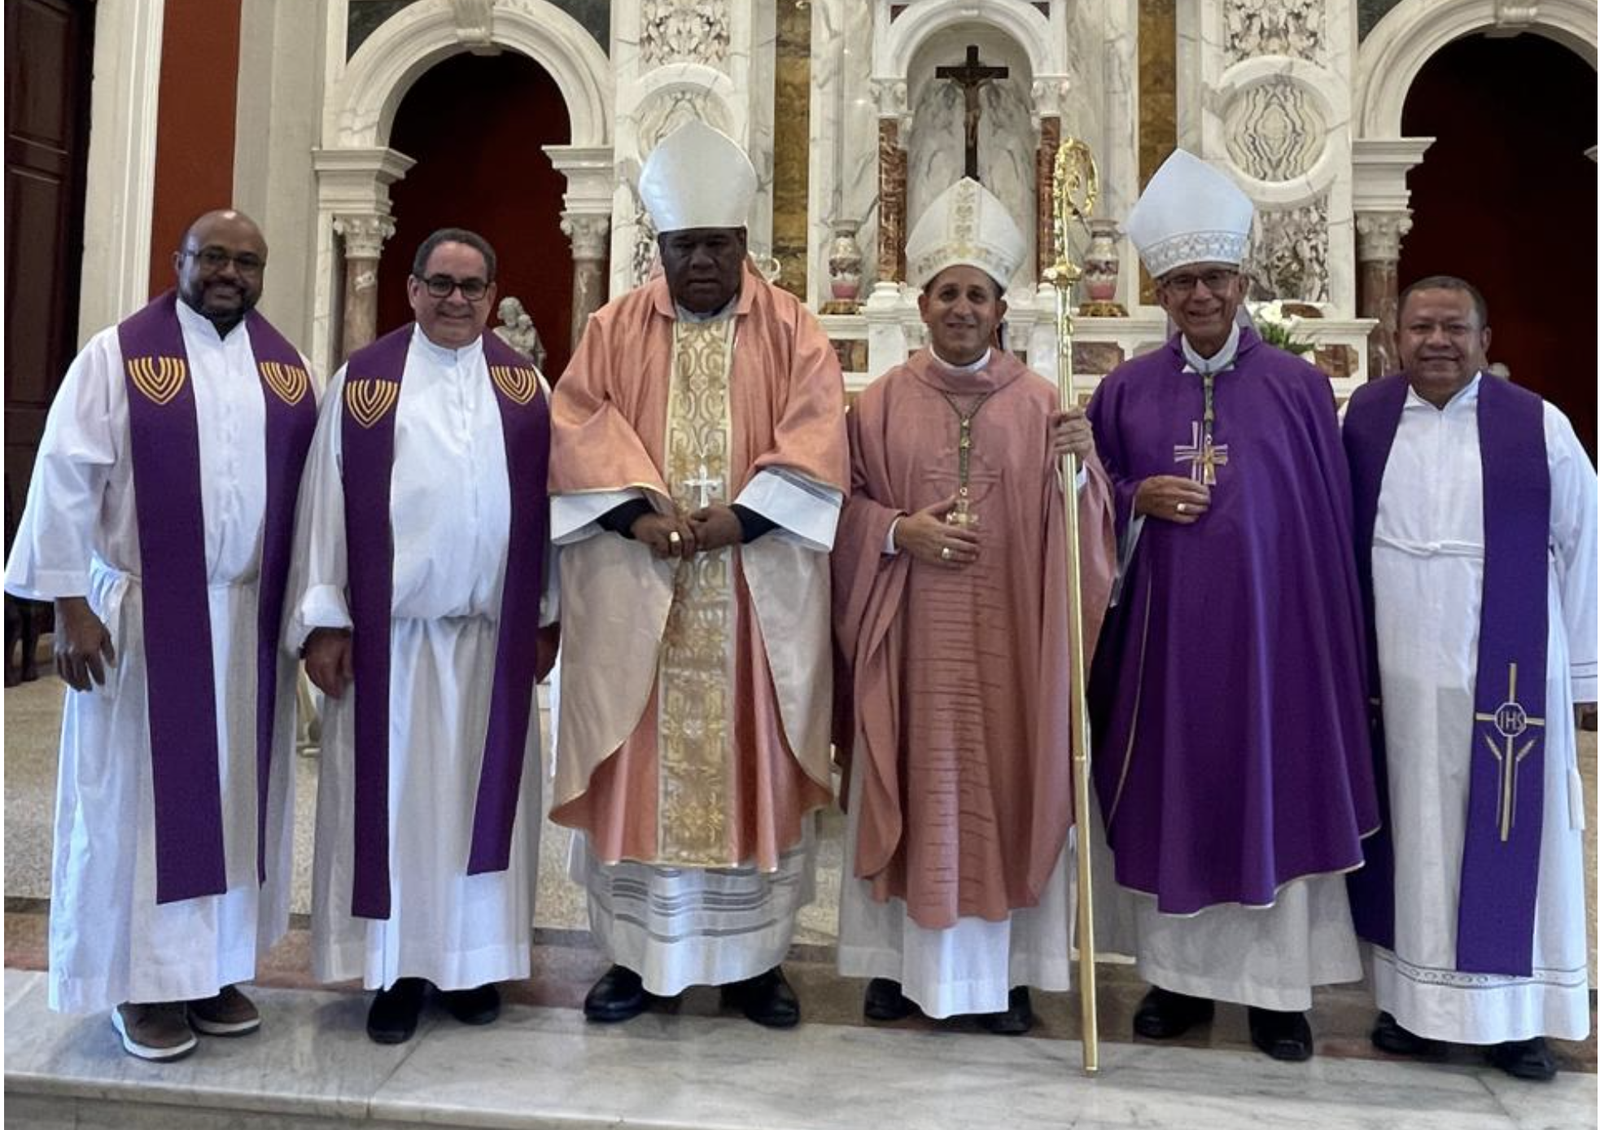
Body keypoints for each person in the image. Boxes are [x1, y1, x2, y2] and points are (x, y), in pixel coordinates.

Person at [549, 120, 848, 1028]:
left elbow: (816, 439)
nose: (704, 263)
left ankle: (756, 964)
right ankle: (636, 962)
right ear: (662, 247)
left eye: (718, 245)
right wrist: (638, 516)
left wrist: (736, 521)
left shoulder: (795, 329)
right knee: (639, 771)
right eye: (686, 247)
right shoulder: (613, 326)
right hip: (644, 595)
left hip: (750, 596)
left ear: (745, 246)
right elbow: (575, 428)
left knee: (750, 767)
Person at [1084, 149, 1378, 1062]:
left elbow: (1324, 526)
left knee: (1271, 792)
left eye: (1212, 277)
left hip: (1274, 646)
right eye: (1179, 281)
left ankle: (1277, 997)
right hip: (1164, 649)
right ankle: (1174, 985)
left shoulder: (1297, 389)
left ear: (1243, 280)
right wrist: (1133, 494)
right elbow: (1090, 500)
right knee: (1174, 797)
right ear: (1160, 291)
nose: (1198, 295)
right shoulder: (1125, 390)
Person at [4, 210, 317, 1060]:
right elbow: (65, 475)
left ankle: (210, 971)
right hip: (142, 619)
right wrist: (69, 604)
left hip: (247, 621)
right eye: (211, 256)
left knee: (233, 804)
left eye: (246, 261)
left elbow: (312, 500)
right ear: (177, 260)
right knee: (135, 809)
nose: (229, 273)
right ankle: (139, 985)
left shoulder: (286, 371)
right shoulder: (118, 356)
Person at [831, 177, 1117, 1034]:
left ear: (1002, 309)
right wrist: (894, 532)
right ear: (921, 304)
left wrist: (1081, 469)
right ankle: (893, 966)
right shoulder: (877, 404)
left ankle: (1011, 974)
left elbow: (1085, 543)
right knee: (901, 776)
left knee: (1011, 781)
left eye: (977, 295)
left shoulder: (1042, 405)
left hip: (1010, 645)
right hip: (909, 640)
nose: (962, 308)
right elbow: (838, 508)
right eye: (947, 292)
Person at [286, 227, 557, 1045]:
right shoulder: (363, 384)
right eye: (440, 284)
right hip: (392, 645)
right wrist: (327, 618)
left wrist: (545, 615)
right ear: (410, 289)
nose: (456, 300)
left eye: (473, 286)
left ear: (493, 294)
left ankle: (471, 966)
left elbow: (546, 510)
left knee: (484, 809)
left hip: (488, 642)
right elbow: (325, 505)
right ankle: (397, 970)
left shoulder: (525, 386)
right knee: (396, 808)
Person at [1345, 276, 1595, 1081]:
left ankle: (1514, 1018)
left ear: (1486, 339)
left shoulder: (1538, 427)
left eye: (1455, 327)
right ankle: (1414, 1009)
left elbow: (1585, 543)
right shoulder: (1367, 418)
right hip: (1398, 677)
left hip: (1509, 683)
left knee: (1513, 834)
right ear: (1395, 335)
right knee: (1413, 834)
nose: (1438, 342)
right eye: (1421, 327)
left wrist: (1586, 672)